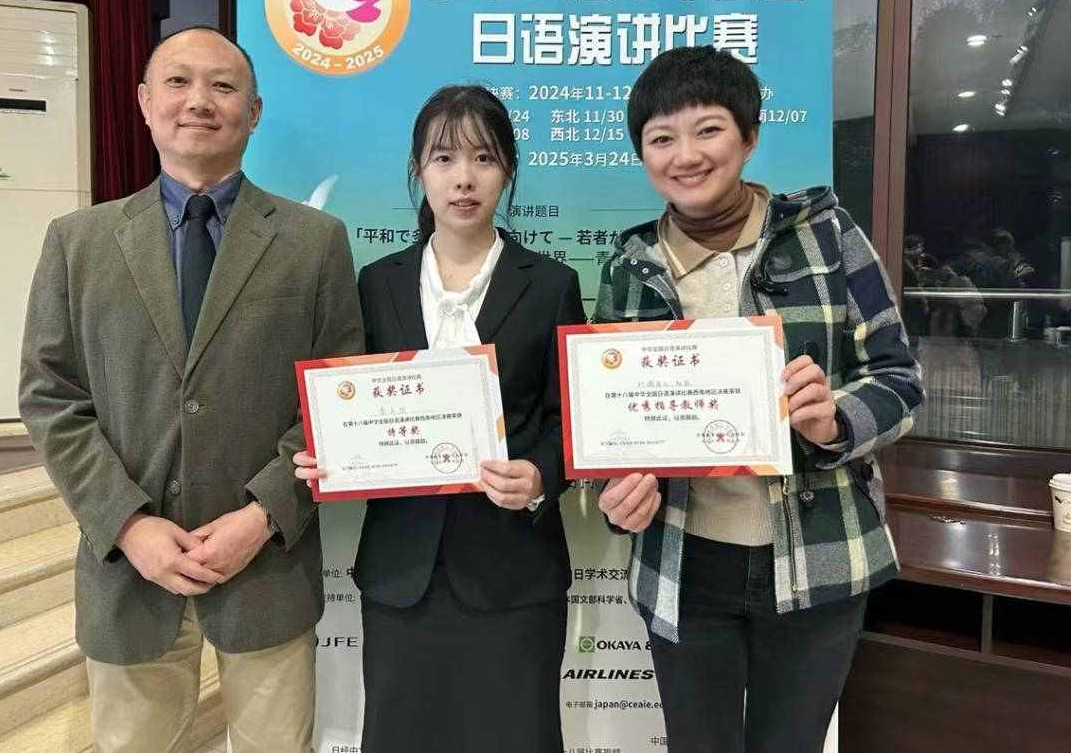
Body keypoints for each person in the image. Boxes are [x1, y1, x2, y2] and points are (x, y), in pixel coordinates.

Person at [19, 26, 363, 753]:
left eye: (223, 85)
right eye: (178, 82)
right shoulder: (78, 242)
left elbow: (337, 397)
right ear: (145, 103)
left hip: (267, 565)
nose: (199, 101)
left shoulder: (314, 241)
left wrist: (263, 516)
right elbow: (51, 396)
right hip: (128, 570)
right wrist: (126, 524)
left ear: (254, 111)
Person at [593, 46, 923, 753]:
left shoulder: (829, 237)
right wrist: (617, 492)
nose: (686, 155)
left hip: (819, 554)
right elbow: (607, 422)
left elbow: (899, 378)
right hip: (684, 563)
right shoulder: (629, 266)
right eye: (662, 138)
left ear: (749, 136)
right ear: (642, 154)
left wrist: (835, 419)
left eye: (708, 130)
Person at [295, 85, 584, 753]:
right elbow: (356, 404)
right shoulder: (377, 283)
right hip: (403, 575)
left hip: (514, 571)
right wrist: (327, 451)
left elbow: (568, 422)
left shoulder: (550, 284)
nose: (464, 178)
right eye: (444, 158)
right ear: (417, 170)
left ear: (507, 171)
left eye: (484, 158)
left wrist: (540, 477)